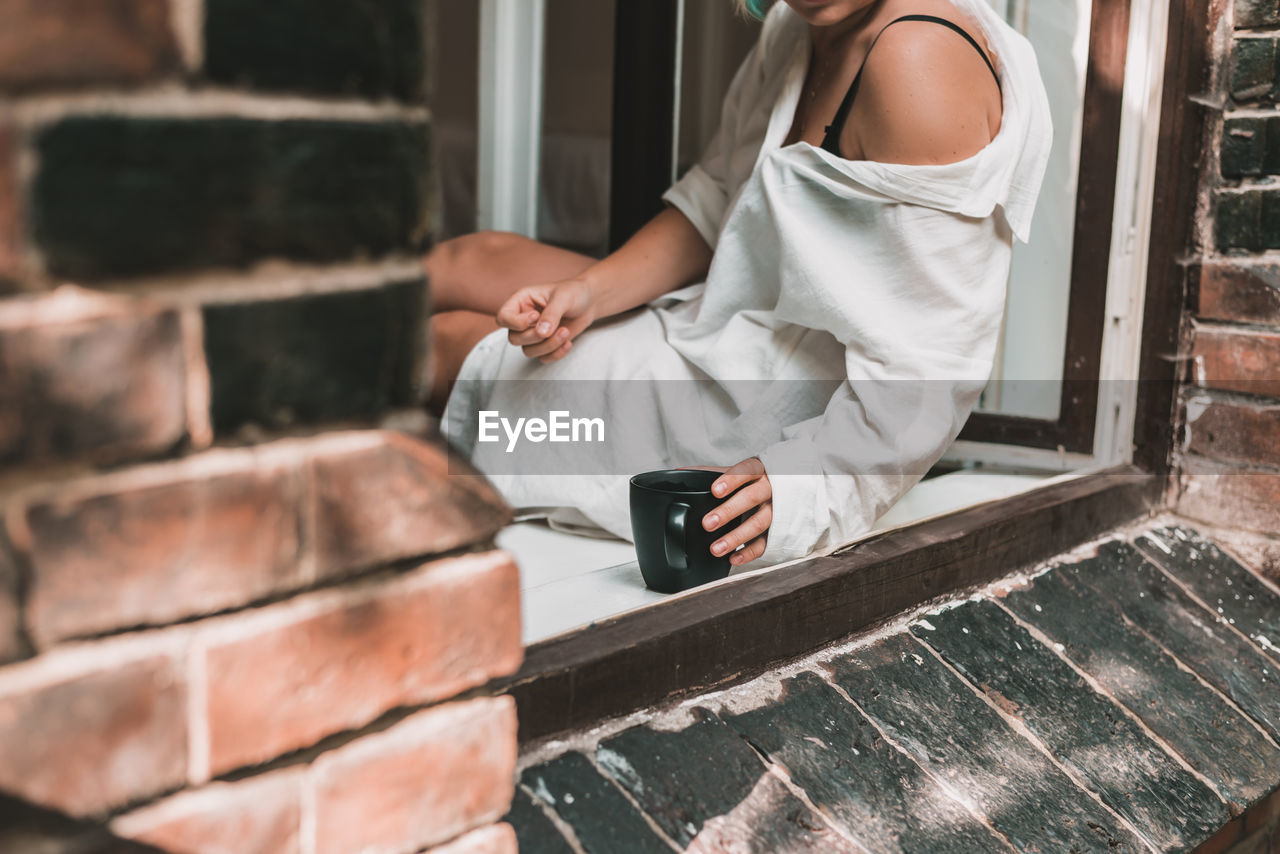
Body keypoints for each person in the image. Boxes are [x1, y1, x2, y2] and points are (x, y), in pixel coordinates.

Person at [427, 0, 1052, 569]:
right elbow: (722, 198)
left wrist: (807, 487)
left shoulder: (913, 64)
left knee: (449, 346)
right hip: (721, 318)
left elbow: (930, 374)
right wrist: (592, 291)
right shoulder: (800, 26)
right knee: (469, 260)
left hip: (761, 408)